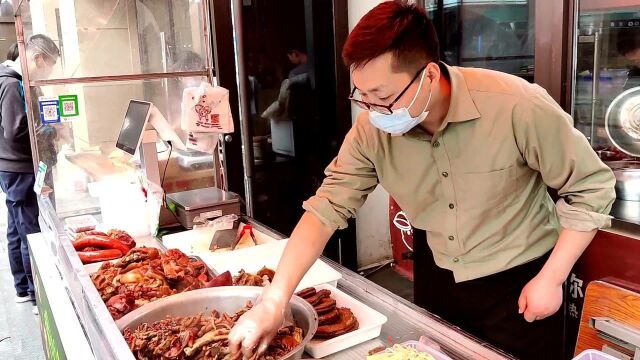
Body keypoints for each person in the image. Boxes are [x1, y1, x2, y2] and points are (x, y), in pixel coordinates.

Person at [228, 2, 616, 359]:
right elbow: (327, 206)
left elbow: (592, 189)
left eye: (382, 96)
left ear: (429, 74)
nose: (372, 109)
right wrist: (275, 298)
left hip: (521, 275)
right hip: (436, 272)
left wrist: (553, 277)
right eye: (360, 95)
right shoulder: (372, 127)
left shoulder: (516, 105)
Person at [0, 34, 60, 315]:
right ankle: (38, 294)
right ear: (38, 59)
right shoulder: (12, 85)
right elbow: (15, 130)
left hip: (12, 167)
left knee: (16, 227)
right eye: (48, 65)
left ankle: (23, 288)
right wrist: (49, 131)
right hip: (20, 167)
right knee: (29, 230)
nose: (47, 72)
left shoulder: (12, 81)